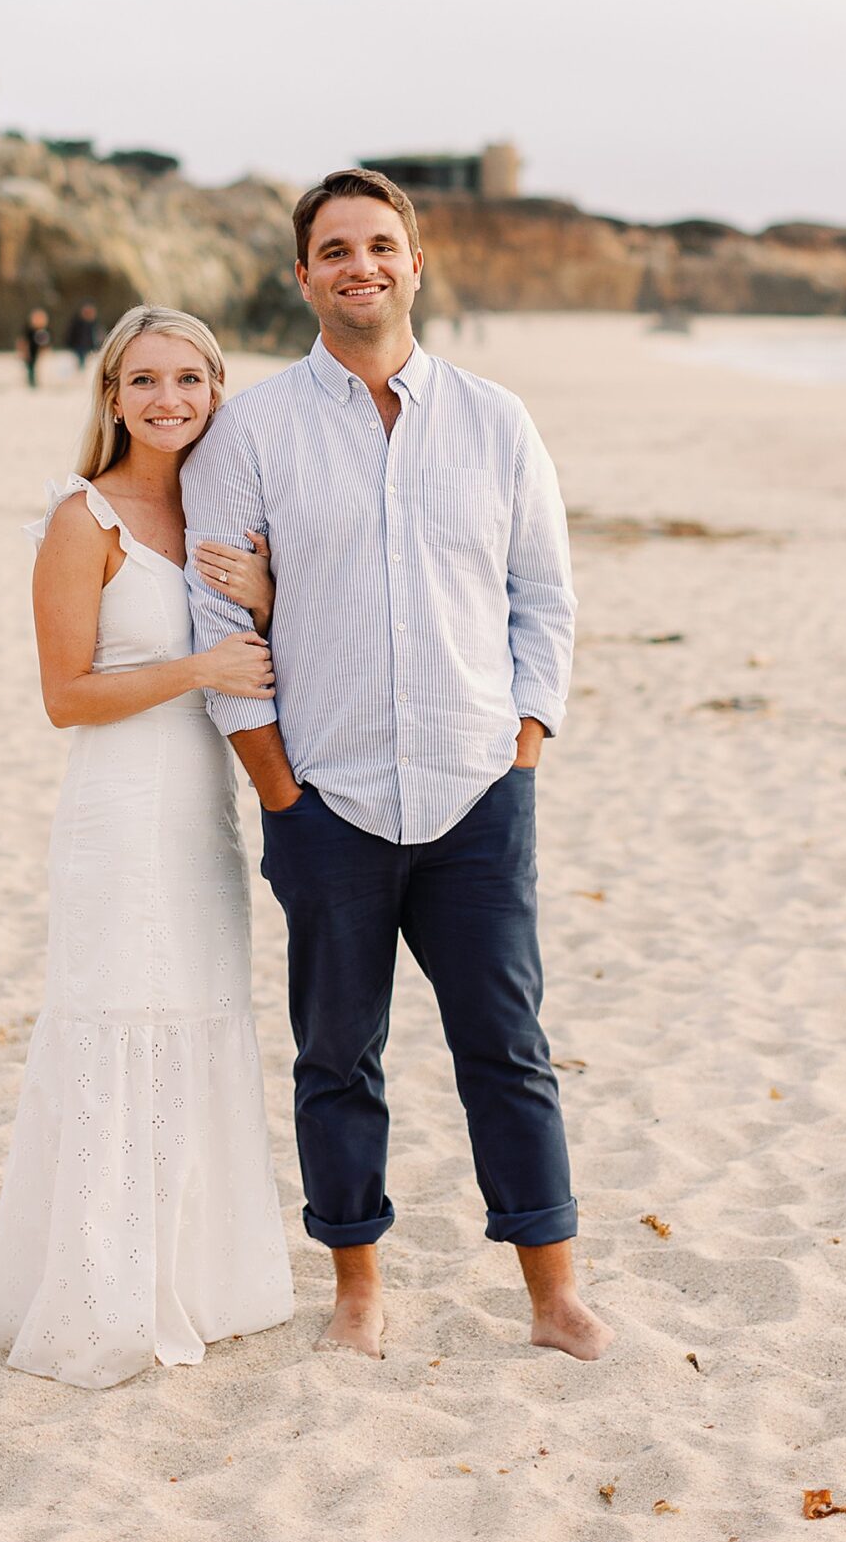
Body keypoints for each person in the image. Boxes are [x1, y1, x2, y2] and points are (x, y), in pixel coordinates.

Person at [183, 169, 612, 1364]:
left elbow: (543, 596)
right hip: (329, 799)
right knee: (336, 1055)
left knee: (508, 1048)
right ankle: (357, 1290)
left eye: (380, 245)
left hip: (478, 789)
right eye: (334, 249)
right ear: (303, 275)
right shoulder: (252, 432)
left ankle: (552, 1291)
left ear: (416, 263)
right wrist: (277, 788)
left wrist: (525, 740)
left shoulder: (495, 421)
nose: (358, 266)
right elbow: (215, 625)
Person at [0, 306, 295, 1387]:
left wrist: (262, 597)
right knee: (119, 1015)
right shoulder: (83, 517)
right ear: (110, 393)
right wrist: (200, 668)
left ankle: (200, 1282)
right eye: (145, 380)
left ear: (216, 389)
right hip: (118, 805)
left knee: (199, 1013)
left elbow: (278, 644)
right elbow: (66, 695)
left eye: (189, 379)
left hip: (201, 807)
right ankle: (108, 1293)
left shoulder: (219, 508)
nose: (168, 399)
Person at [18, 307, 52, 389]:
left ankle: (32, 379)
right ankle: (31, 380)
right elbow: (23, 341)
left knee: (33, 366)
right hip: (29, 351)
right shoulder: (29, 330)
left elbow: (46, 342)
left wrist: (45, 348)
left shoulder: (44, 331)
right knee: (30, 366)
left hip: (36, 351)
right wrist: (23, 350)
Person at [65, 302, 101, 371]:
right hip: (78, 348)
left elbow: (97, 337)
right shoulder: (76, 323)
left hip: (91, 349)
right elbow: (70, 335)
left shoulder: (95, 325)